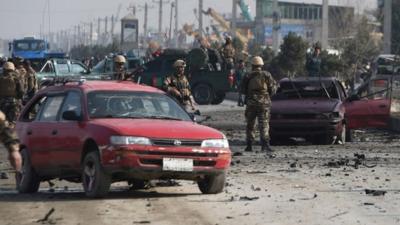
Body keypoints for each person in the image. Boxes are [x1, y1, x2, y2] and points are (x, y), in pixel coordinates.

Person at [240, 56, 277, 153]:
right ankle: (265, 146)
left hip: (251, 103)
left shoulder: (247, 75)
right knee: (264, 124)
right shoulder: (266, 75)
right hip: (263, 104)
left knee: (250, 125)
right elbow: (272, 89)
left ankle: (249, 146)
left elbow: (242, 91)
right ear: (261, 65)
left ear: (252, 65)